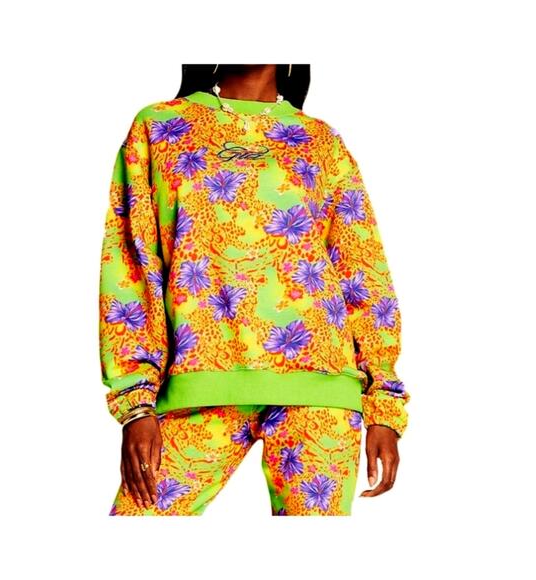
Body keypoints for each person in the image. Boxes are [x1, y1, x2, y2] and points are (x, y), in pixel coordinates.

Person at [99, 64, 411, 516]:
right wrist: (136, 404)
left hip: (322, 388)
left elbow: (361, 268)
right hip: (197, 381)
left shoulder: (320, 140)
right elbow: (130, 264)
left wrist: (384, 405)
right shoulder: (160, 126)